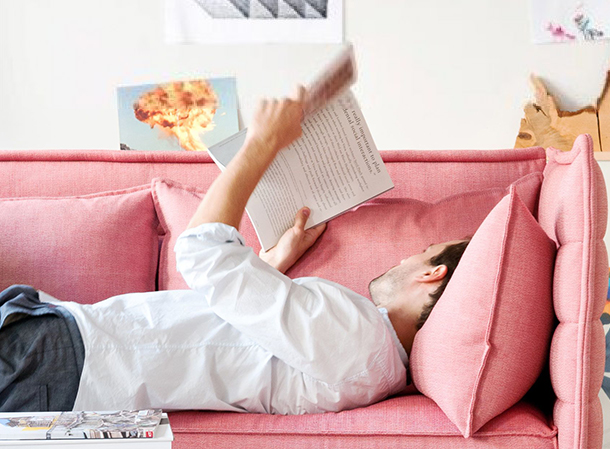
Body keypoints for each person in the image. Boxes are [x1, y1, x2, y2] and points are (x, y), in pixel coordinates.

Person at [0, 93, 470, 416]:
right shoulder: (371, 362)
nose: (402, 259)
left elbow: (201, 251)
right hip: (60, 357)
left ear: (433, 274)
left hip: (57, 357)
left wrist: (263, 142)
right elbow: (240, 340)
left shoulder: (362, 338)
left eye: (420, 252)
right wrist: (273, 266)